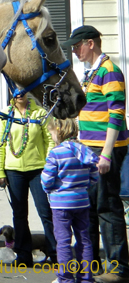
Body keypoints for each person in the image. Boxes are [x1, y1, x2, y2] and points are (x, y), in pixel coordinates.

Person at [61, 25, 129, 283]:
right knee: (87, 207)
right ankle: (90, 264)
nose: (74, 51)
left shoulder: (109, 70)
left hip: (104, 149)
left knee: (107, 207)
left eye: (77, 46)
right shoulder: (91, 72)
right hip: (88, 147)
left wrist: (107, 154)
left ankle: (119, 269)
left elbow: (116, 114)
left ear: (90, 43)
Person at [0, 93, 57, 267]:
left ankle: (56, 253)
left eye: (23, 91)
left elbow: (50, 141)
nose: (20, 94)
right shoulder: (5, 115)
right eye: (16, 92)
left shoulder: (40, 113)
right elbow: (0, 145)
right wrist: (0, 171)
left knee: (45, 212)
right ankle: (23, 255)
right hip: (13, 171)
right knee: (19, 214)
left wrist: (48, 166)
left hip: (38, 170)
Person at [42, 117, 99, 283]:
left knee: (63, 242)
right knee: (84, 240)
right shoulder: (85, 150)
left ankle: (65, 278)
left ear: (59, 131)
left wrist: (50, 190)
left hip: (60, 204)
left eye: (52, 132)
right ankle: (86, 278)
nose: (51, 136)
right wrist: (82, 188)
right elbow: (94, 176)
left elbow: (46, 180)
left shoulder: (56, 153)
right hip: (82, 201)